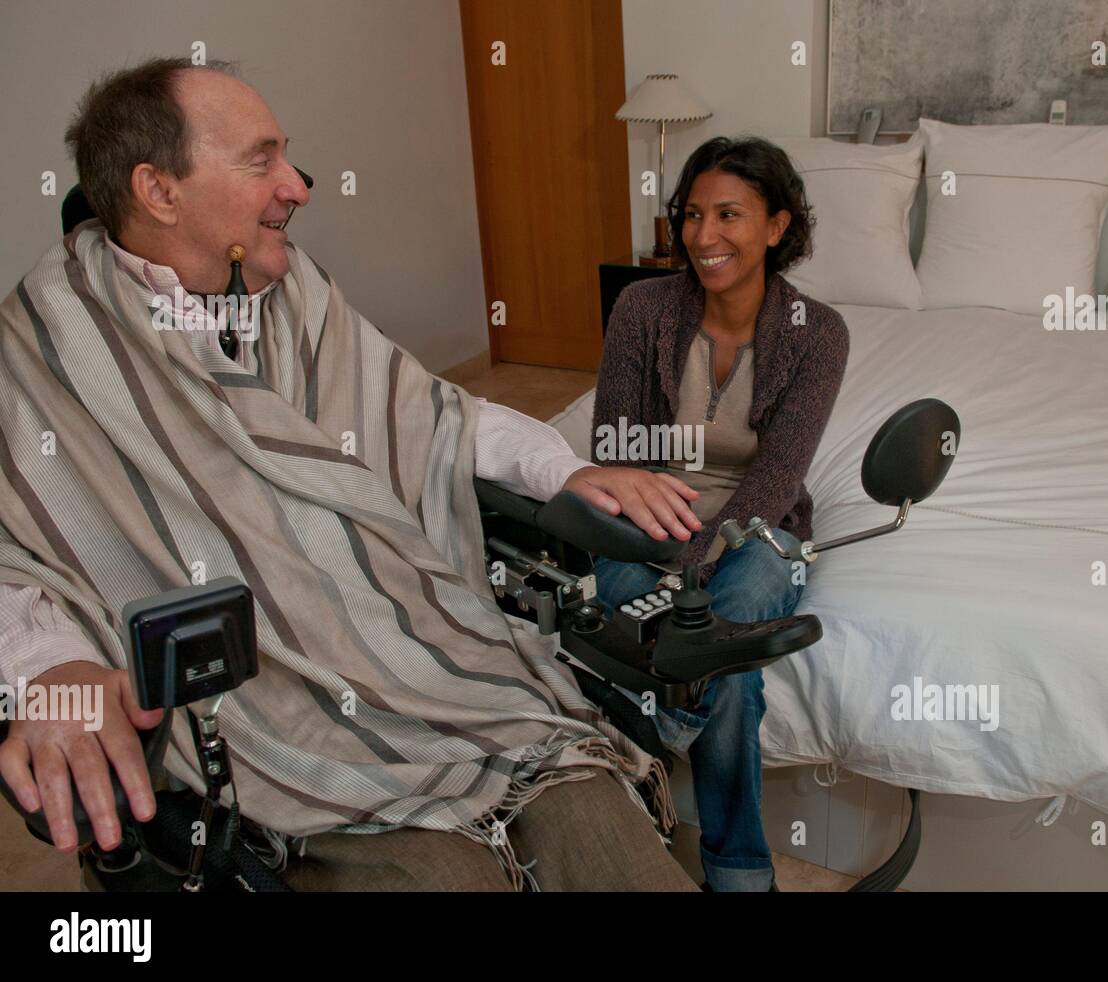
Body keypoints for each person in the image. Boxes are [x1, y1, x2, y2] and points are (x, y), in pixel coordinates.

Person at [0, 57, 707, 891]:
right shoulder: (43, 348)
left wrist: (565, 468)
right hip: (256, 718)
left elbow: (428, 413)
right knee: (443, 873)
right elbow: (20, 542)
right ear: (159, 191)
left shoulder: (292, 288)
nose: (298, 185)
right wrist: (48, 670)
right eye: (261, 160)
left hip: (407, 657)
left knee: (587, 800)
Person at [591, 136, 850, 891]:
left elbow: (776, 476)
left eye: (730, 214)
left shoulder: (819, 333)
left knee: (730, 614)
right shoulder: (644, 307)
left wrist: (694, 567)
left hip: (758, 527)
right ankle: (742, 876)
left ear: (777, 225)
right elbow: (616, 442)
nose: (705, 237)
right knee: (729, 665)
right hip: (646, 514)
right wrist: (660, 534)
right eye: (693, 215)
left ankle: (659, 722)